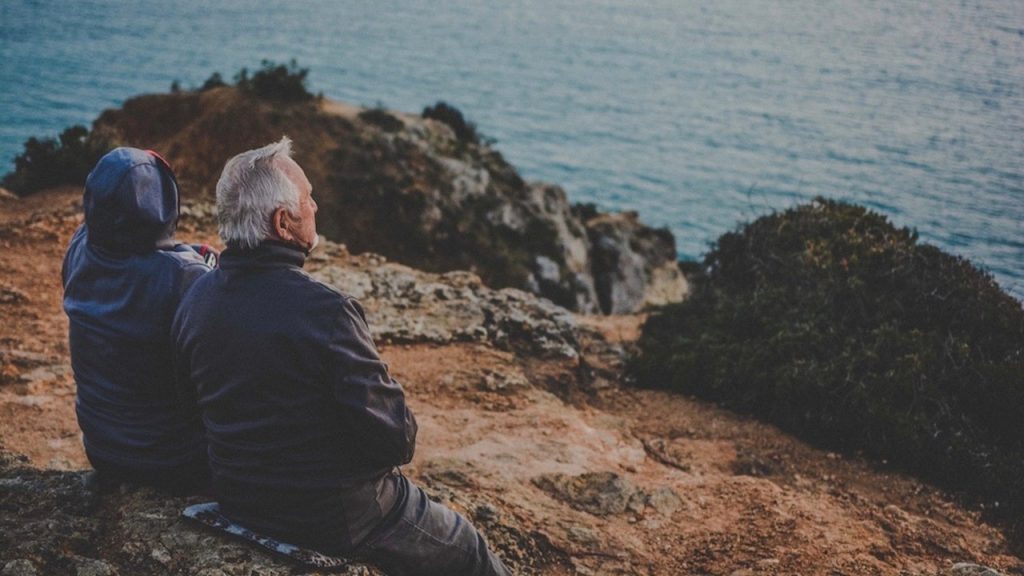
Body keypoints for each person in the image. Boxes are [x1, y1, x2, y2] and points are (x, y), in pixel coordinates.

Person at [172, 137, 512, 576]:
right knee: (469, 549)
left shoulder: (196, 296)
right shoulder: (327, 312)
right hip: (338, 517)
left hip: (239, 498)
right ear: (283, 222)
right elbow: (396, 440)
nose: (316, 207)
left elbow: (189, 407)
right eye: (309, 199)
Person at [63, 147, 214, 493]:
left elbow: (135, 261)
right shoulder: (183, 277)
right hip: (175, 460)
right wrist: (203, 262)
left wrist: (185, 254)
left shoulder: (79, 248)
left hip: (102, 448)